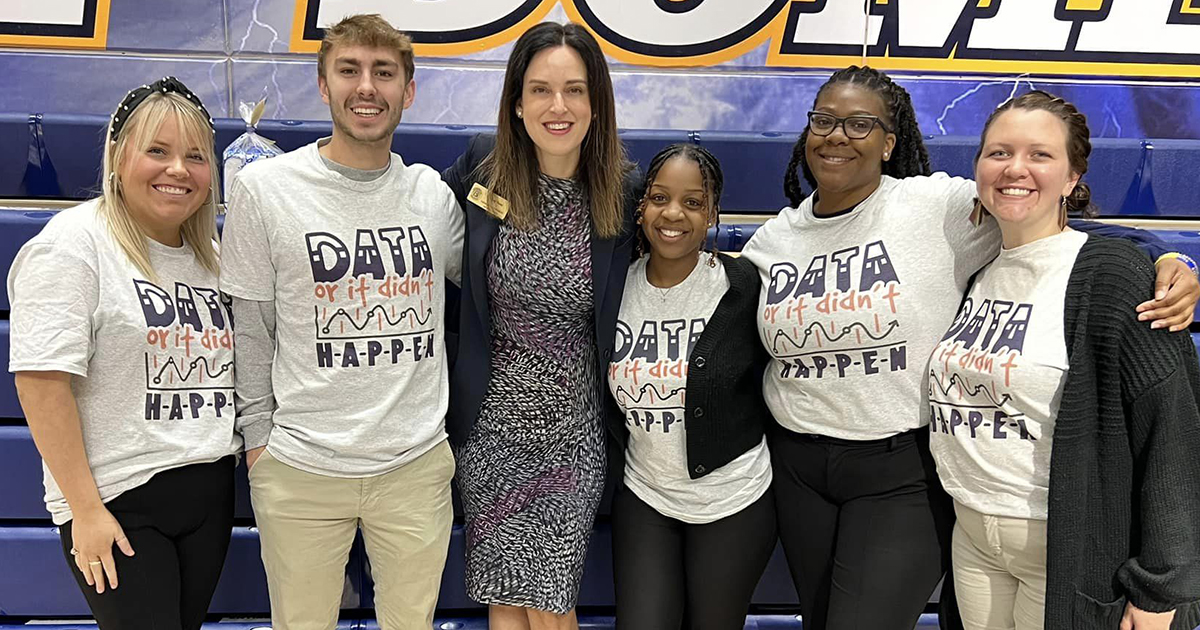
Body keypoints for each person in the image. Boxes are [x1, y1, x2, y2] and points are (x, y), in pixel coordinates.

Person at [740, 65, 1200, 630]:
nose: (837, 135)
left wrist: (1170, 257)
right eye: (824, 121)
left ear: (890, 143)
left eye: (860, 124)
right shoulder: (773, 238)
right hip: (804, 466)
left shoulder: (936, 207)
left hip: (902, 469)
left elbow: (1063, 228)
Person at [219, 14, 463, 630]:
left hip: (414, 464)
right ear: (323, 85)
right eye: (349, 70)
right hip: (299, 465)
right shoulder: (264, 189)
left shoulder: (433, 196)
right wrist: (258, 445)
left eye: (384, 73)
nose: (367, 87)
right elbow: (248, 324)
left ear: (408, 91)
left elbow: (501, 278)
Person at [930, 90, 1200, 630]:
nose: (1016, 169)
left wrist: (1162, 589)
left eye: (1040, 155)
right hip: (973, 535)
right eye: (999, 152)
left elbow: (1172, 437)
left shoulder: (1116, 277)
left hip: (1065, 543)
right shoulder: (975, 264)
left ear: (1073, 178)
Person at [9, 76, 238, 630]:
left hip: (208, 491)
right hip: (119, 499)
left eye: (194, 156)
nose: (178, 170)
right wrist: (85, 510)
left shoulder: (212, 254)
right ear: (117, 155)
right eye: (156, 151)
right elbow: (41, 382)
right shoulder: (71, 246)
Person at [440, 21, 639, 630]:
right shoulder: (482, 169)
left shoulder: (624, 192)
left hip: (573, 435)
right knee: (504, 598)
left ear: (596, 102)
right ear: (518, 102)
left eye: (575, 90)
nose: (559, 106)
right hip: (491, 429)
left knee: (552, 606)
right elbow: (428, 243)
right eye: (541, 90)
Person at [607, 143, 775, 630]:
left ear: (711, 215)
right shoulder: (615, 286)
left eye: (693, 202)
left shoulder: (744, 286)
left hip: (733, 500)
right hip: (647, 494)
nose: (673, 213)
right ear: (641, 209)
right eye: (659, 197)